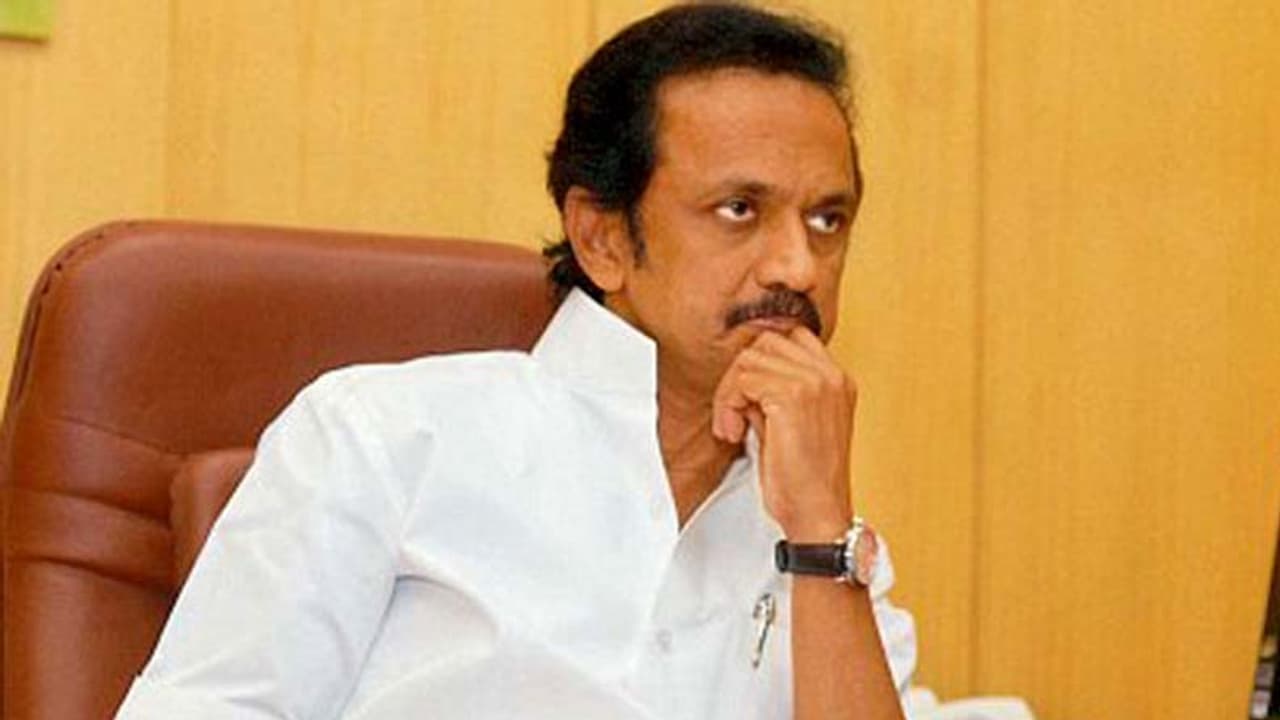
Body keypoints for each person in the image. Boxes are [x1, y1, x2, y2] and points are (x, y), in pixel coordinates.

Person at [116, 3, 916, 719]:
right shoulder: (384, 439)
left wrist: (820, 540)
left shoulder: (826, 539)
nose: (798, 267)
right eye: (739, 209)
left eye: (828, 220)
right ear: (602, 238)